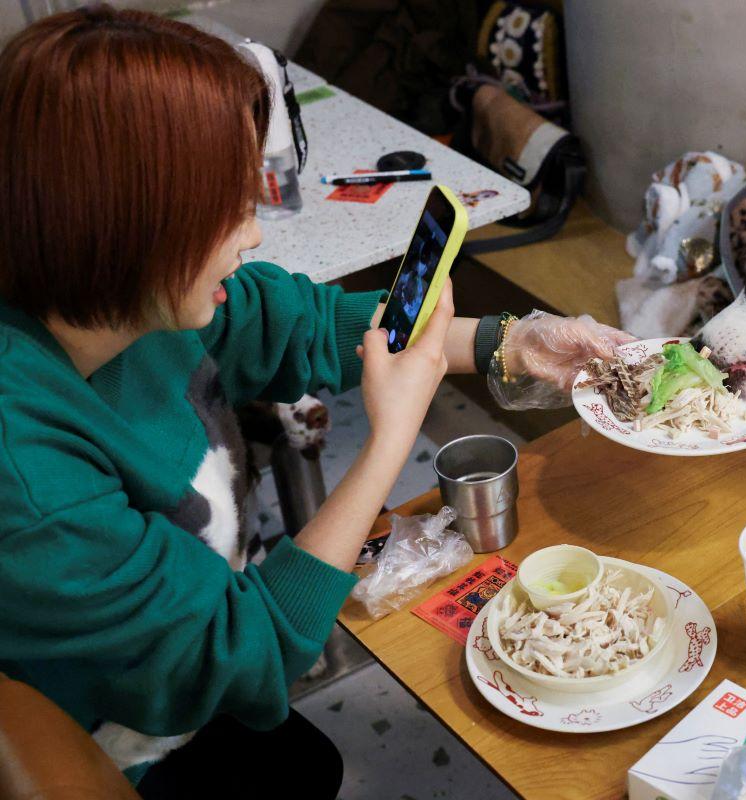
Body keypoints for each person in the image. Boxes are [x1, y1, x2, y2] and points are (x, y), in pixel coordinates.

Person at [0, 7, 630, 798]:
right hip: (118, 734)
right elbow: (245, 655)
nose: (253, 236)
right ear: (126, 221)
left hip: (198, 654)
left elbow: (291, 322)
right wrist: (390, 441)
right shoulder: (27, 474)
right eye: (228, 210)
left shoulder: (121, 300)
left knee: (311, 765)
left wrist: (512, 343)